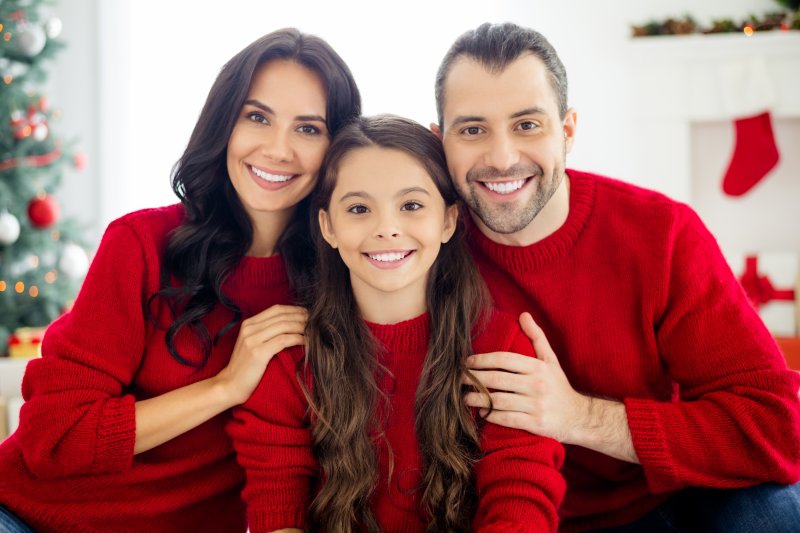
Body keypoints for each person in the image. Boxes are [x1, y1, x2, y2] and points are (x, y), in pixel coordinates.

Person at [431, 22, 800, 533]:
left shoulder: (660, 234)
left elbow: (777, 428)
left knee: (771, 512)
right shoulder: (421, 247)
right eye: (472, 130)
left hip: (667, 498)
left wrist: (578, 417)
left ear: (568, 131)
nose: (502, 158)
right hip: (524, 511)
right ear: (439, 142)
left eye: (528, 125)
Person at [0, 28, 361, 533]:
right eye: (257, 117)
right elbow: (53, 437)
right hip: (27, 516)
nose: (278, 150)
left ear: (337, 147)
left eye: (308, 129)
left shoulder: (341, 279)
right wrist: (225, 387)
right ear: (225, 124)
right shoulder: (141, 243)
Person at [228, 114, 566, 532]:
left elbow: (521, 500)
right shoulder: (290, 357)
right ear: (327, 227)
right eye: (358, 208)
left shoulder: (501, 346)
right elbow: (276, 512)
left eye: (411, 205)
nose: (386, 228)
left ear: (448, 220)